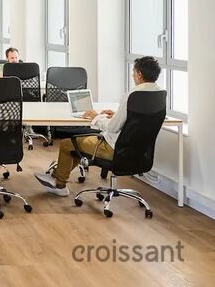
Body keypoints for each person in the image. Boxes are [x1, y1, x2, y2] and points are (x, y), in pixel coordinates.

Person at [34, 56, 162, 196]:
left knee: (67, 144)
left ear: (139, 74)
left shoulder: (132, 95)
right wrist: (117, 114)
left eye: (133, 71)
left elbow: (113, 128)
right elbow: (137, 119)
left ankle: (59, 186)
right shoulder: (159, 95)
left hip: (114, 149)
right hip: (138, 152)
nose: (132, 75)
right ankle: (56, 176)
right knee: (76, 145)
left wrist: (96, 117)